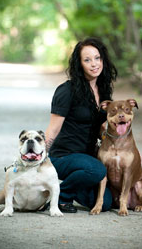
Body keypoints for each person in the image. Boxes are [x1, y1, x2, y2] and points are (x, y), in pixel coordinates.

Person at [45, 37, 116, 213]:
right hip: (63, 157)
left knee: (105, 202)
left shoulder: (104, 90)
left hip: (86, 159)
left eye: (97, 58)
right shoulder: (67, 90)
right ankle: (61, 197)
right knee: (97, 170)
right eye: (87, 60)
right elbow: (53, 129)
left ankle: (62, 187)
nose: (94, 64)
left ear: (103, 60)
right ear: (79, 64)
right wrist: (40, 158)